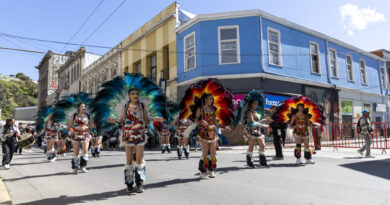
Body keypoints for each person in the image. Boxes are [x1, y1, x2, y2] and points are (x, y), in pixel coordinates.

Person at [68, 103, 95, 174]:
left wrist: (93, 125)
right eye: (82, 106)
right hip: (76, 134)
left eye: (84, 106)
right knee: (76, 151)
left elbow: (91, 124)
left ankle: (83, 166)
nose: (84, 108)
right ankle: (75, 167)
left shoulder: (88, 115)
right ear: (78, 108)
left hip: (85, 134)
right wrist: (73, 130)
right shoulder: (74, 115)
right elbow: (70, 125)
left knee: (85, 150)